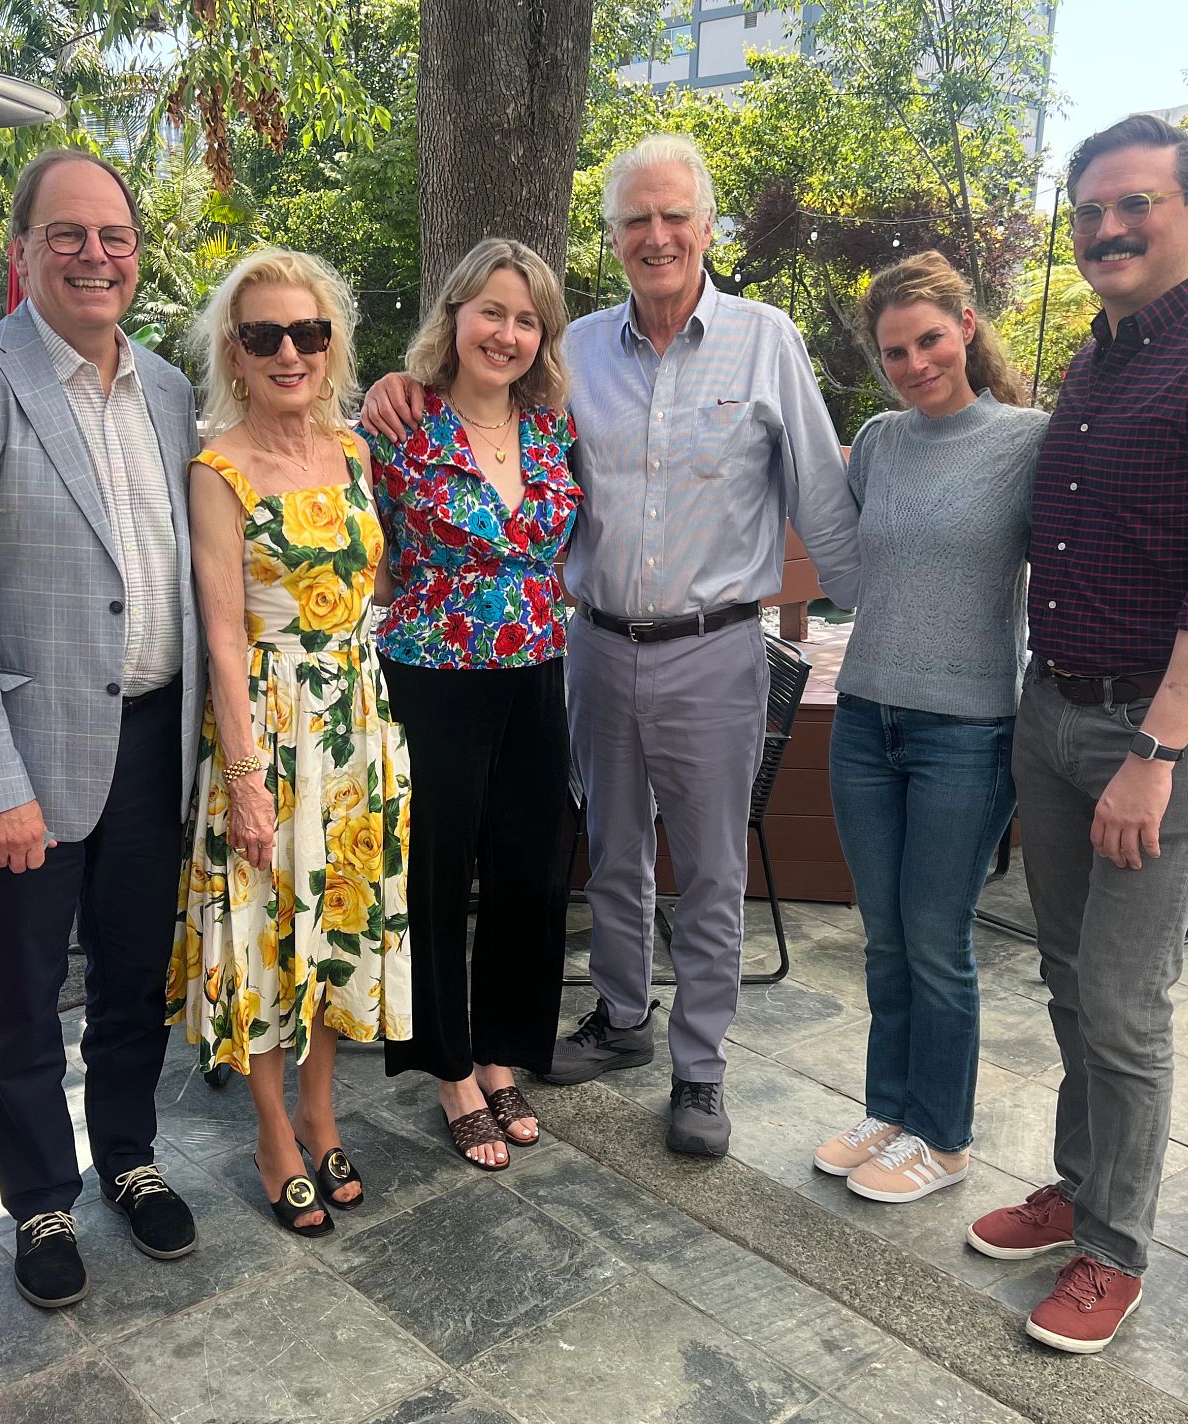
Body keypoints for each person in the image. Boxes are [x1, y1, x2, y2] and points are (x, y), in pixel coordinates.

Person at [364, 133, 861, 1157]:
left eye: (673, 215)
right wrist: (392, 385)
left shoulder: (765, 339)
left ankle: (700, 1069)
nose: (655, 235)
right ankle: (623, 1021)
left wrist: (883, 626)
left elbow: (819, 492)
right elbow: (473, 412)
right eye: (634, 219)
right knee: (610, 856)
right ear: (611, 238)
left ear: (706, 227)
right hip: (585, 644)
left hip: (716, 645)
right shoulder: (572, 350)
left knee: (711, 868)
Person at [963, 114, 1188, 1352]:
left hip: (1154, 729)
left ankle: (1114, 1248)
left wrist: (1155, 756)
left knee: (1124, 1000)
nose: (1106, 229)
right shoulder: (1102, 356)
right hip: (1055, 704)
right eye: (1087, 210)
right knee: (1068, 981)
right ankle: (1081, 1187)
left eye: (1132, 205)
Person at [0, 149, 204, 1310]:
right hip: (26, 757)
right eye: (67, 235)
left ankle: (128, 1158)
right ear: (22, 251)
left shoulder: (165, 387)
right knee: (16, 994)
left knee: (132, 981)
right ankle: (40, 1197)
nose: (93, 256)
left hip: (156, 741)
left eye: (112, 237)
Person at [168, 247, 411, 1235]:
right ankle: (272, 1128)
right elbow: (223, 634)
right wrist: (244, 776)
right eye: (263, 335)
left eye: (306, 334)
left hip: (355, 725)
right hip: (266, 730)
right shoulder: (218, 468)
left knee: (336, 924)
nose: (288, 353)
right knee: (269, 932)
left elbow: (379, 586)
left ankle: (322, 1109)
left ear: (330, 345)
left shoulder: (353, 453)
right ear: (233, 351)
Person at [808, 252, 1049, 1205]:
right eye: (895, 350)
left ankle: (943, 1139)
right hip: (867, 716)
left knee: (936, 940)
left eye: (930, 341)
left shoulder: (1030, 440)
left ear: (969, 328)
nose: (915, 364)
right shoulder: (876, 440)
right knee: (882, 937)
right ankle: (892, 1107)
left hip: (970, 729)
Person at [361, 237, 580, 1170]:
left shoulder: (552, 428)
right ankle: (449, 1070)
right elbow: (354, 547)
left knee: (532, 871)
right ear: (454, 316)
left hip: (537, 665)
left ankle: (501, 1056)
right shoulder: (399, 426)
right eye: (491, 311)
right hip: (432, 672)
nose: (507, 332)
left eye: (527, 319)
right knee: (438, 876)